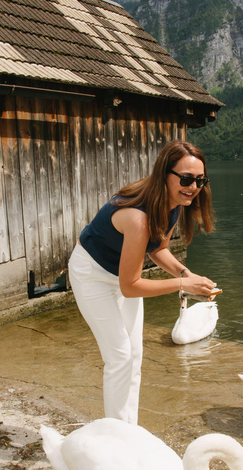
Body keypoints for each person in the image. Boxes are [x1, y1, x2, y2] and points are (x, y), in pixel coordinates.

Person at [68, 140, 216, 425]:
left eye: (200, 180)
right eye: (186, 178)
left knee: (134, 355)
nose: (193, 187)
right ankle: (116, 437)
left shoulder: (173, 203)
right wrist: (183, 286)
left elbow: (158, 250)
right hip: (92, 275)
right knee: (120, 357)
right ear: (165, 174)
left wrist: (188, 276)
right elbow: (131, 286)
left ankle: (128, 430)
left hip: (121, 275)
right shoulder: (138, 217)